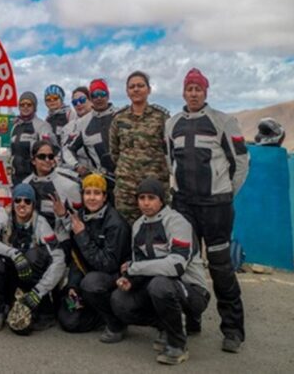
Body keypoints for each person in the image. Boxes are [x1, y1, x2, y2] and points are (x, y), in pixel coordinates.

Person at [165, 68, 249, 353]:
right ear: (183, 92)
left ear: (206, 92)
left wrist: (224, 194)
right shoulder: (172, 124)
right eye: (189, 88)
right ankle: (192, 319)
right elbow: (170, 162)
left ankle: (233, 330)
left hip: (216, 209)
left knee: (221, 267)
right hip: (184, 207)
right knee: (185, 264)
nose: (193, 93)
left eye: (198, 89)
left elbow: (240, 163)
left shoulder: (223, 121)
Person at [108, 179, 210, 366]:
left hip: (192, 291)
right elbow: (140, 263)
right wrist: (131, 280)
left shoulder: (178, 222)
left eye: (151, 198)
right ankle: (166, 325)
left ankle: (178, 344)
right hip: (159, 287)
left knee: (159, 285)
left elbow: (176, 266)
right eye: (142, 198)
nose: (146, 203)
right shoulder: (138, 225)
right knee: (119, 300)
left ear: (162, 200)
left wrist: (134, 268)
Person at [0, 183, 67, 333]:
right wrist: (14, 253)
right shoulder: (1, 214)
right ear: (12, 202)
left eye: (27, 201)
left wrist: (39, 291)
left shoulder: (41, 223)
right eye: (18, 200)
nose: (22, 205)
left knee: (35, 256)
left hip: (30, 279)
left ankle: (39, 307)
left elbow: (59, 258)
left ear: (33, 204)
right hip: (8, 273)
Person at [56, 174, 131, 334]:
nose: (92, 198)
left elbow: (107, 264)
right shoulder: (81, 216)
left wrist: (82, 236)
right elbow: (77, 258)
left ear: (104, 197)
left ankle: (115, 321)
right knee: (70, 321)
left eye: (97, 193)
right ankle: (95, 311)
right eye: (88, 193)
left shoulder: (116, 223)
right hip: (88, 274)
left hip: (114, 276)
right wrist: (73, 286)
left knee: (91, 284)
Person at [109, 71, 169, 225]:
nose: (136, 89)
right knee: (125, 231)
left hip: (154, 188)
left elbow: (169, 150)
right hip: (126, 190)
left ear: (149, 90)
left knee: (157, 231)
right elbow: (114, 151)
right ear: (127, 91)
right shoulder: (119, 118)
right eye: (132, 87)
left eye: (140, 86)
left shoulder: (161, 117)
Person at [63, 79, 118, 202]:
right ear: (91, 98)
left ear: (108, 95)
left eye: (102, 94)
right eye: (94, 95)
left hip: (126, 180)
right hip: (100, 182)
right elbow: (67, 149)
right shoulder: (83, 123)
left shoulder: (120, 115)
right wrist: (77, 166)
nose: (99, 98)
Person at [23, 140, 82, 244]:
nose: (47, 160)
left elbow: (79, 226)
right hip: (32, 243)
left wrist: (63, 215)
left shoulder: (70, 185)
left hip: (60, 244)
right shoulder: (25, 184)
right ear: (33, 160)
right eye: (42, 156)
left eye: (50, 156)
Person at [10, 92, 56, 185]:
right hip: (16, 176)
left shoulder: (42, 125)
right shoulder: (15, 126)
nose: (25, 107)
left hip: (35, 177)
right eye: (22, 104)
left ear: (34, 107)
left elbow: (51, 150)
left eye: (29, 104)